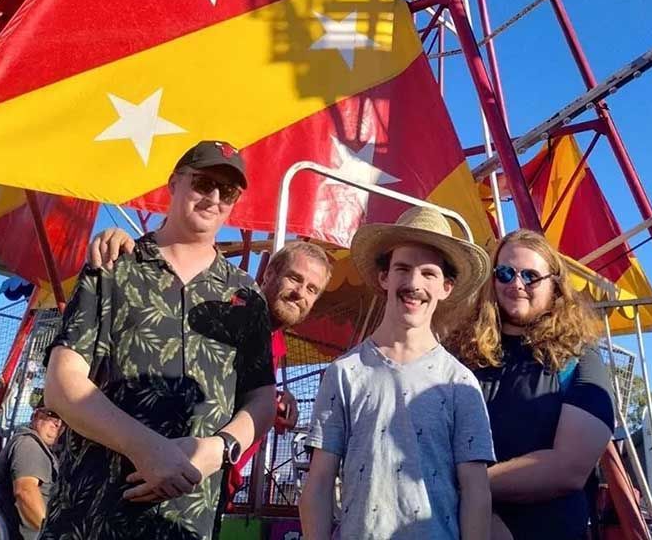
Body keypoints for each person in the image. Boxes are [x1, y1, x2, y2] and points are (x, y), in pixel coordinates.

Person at [40, 140, 277, 540]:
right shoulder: (114, 266)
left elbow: (262, 398)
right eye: (203, 182)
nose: (214, 198)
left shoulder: (245, 296)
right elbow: (62, 384)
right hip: (92, 513)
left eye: (228, 191)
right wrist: (146, 449)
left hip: (189, 520)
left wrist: (217, 450)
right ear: (174, 183)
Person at [88, 229, 333, 506]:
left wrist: (273, 399)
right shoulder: (225, 306)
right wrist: (126, 244)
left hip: (208, 484)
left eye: (312, 289)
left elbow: (235, 387)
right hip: (144, 466)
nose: (299, 293)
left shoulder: (274, 341)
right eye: (294, 278)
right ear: (269, 274)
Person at [300, 205, 495, 540]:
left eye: (428, 273)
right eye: (403, 268)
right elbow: (318, 483)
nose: (414, 283)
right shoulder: (344, 374)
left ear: (446, 287)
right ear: (384, 277)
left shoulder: (461, 384)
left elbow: (476, 493)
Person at [449, 228, 615, 540]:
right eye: (505, 272)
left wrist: (466, 486)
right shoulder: (460, 355)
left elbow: (569, 468)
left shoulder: (578, 358)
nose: (516, 284)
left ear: (554, 284)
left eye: (530, 276)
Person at [0, 402, 63, 540]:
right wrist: (52, 535)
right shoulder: (30, 445)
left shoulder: (31, 445)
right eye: (52, 415)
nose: (58, 423)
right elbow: (25, 492)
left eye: (63, 419)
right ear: (35, 416)